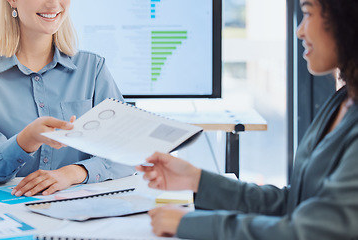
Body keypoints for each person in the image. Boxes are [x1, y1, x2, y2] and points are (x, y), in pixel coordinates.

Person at [136, 0, 358, 239]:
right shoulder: (342, 100)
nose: (300, 30)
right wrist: (196, 179)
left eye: (308, 13)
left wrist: (191, 223)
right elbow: (295, 204)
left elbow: (310, 232)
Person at [0, 0, 134, 197]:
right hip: (12, 208)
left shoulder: (93, 68)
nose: (53, 4)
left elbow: (128, 151)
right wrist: (26, 140)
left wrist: (73, 173)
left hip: (81, 208)